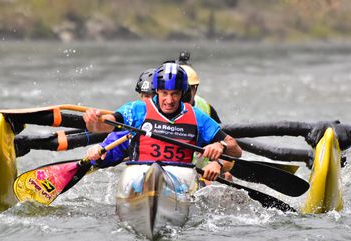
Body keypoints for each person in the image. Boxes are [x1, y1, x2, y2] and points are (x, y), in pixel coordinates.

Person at [84, 62, 241, 181]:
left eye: (175, 94)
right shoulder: (137, 109)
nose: (169, 100)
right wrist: (93, 122)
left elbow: (236, 149)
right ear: (157, 91)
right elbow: (104, 125)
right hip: (138, 177)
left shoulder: (197, 117)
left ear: (182, 93)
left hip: (181, 179)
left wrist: (221, 145)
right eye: (164, 93)